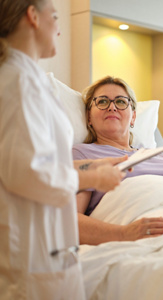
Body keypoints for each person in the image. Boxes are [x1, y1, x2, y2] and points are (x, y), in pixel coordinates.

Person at [0, 1, 125, 299]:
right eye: (54, 17)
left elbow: (42, 162)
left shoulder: (29, 80)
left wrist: (90, 168)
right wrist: (92, 179)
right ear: (33, 16)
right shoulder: (17, 82)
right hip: (32, 254)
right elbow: (25, 174)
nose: (58, 29)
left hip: (50, 248)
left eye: (122, 102)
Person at [73, 75, 163, 245]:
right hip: (152, 233)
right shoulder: (83, 155)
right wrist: (123, 233)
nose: (112, 107)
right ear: (89, 117)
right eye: (102, 102)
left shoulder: (159, 155)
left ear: (134, 116)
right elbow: (69, 220)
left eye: (121, 102)